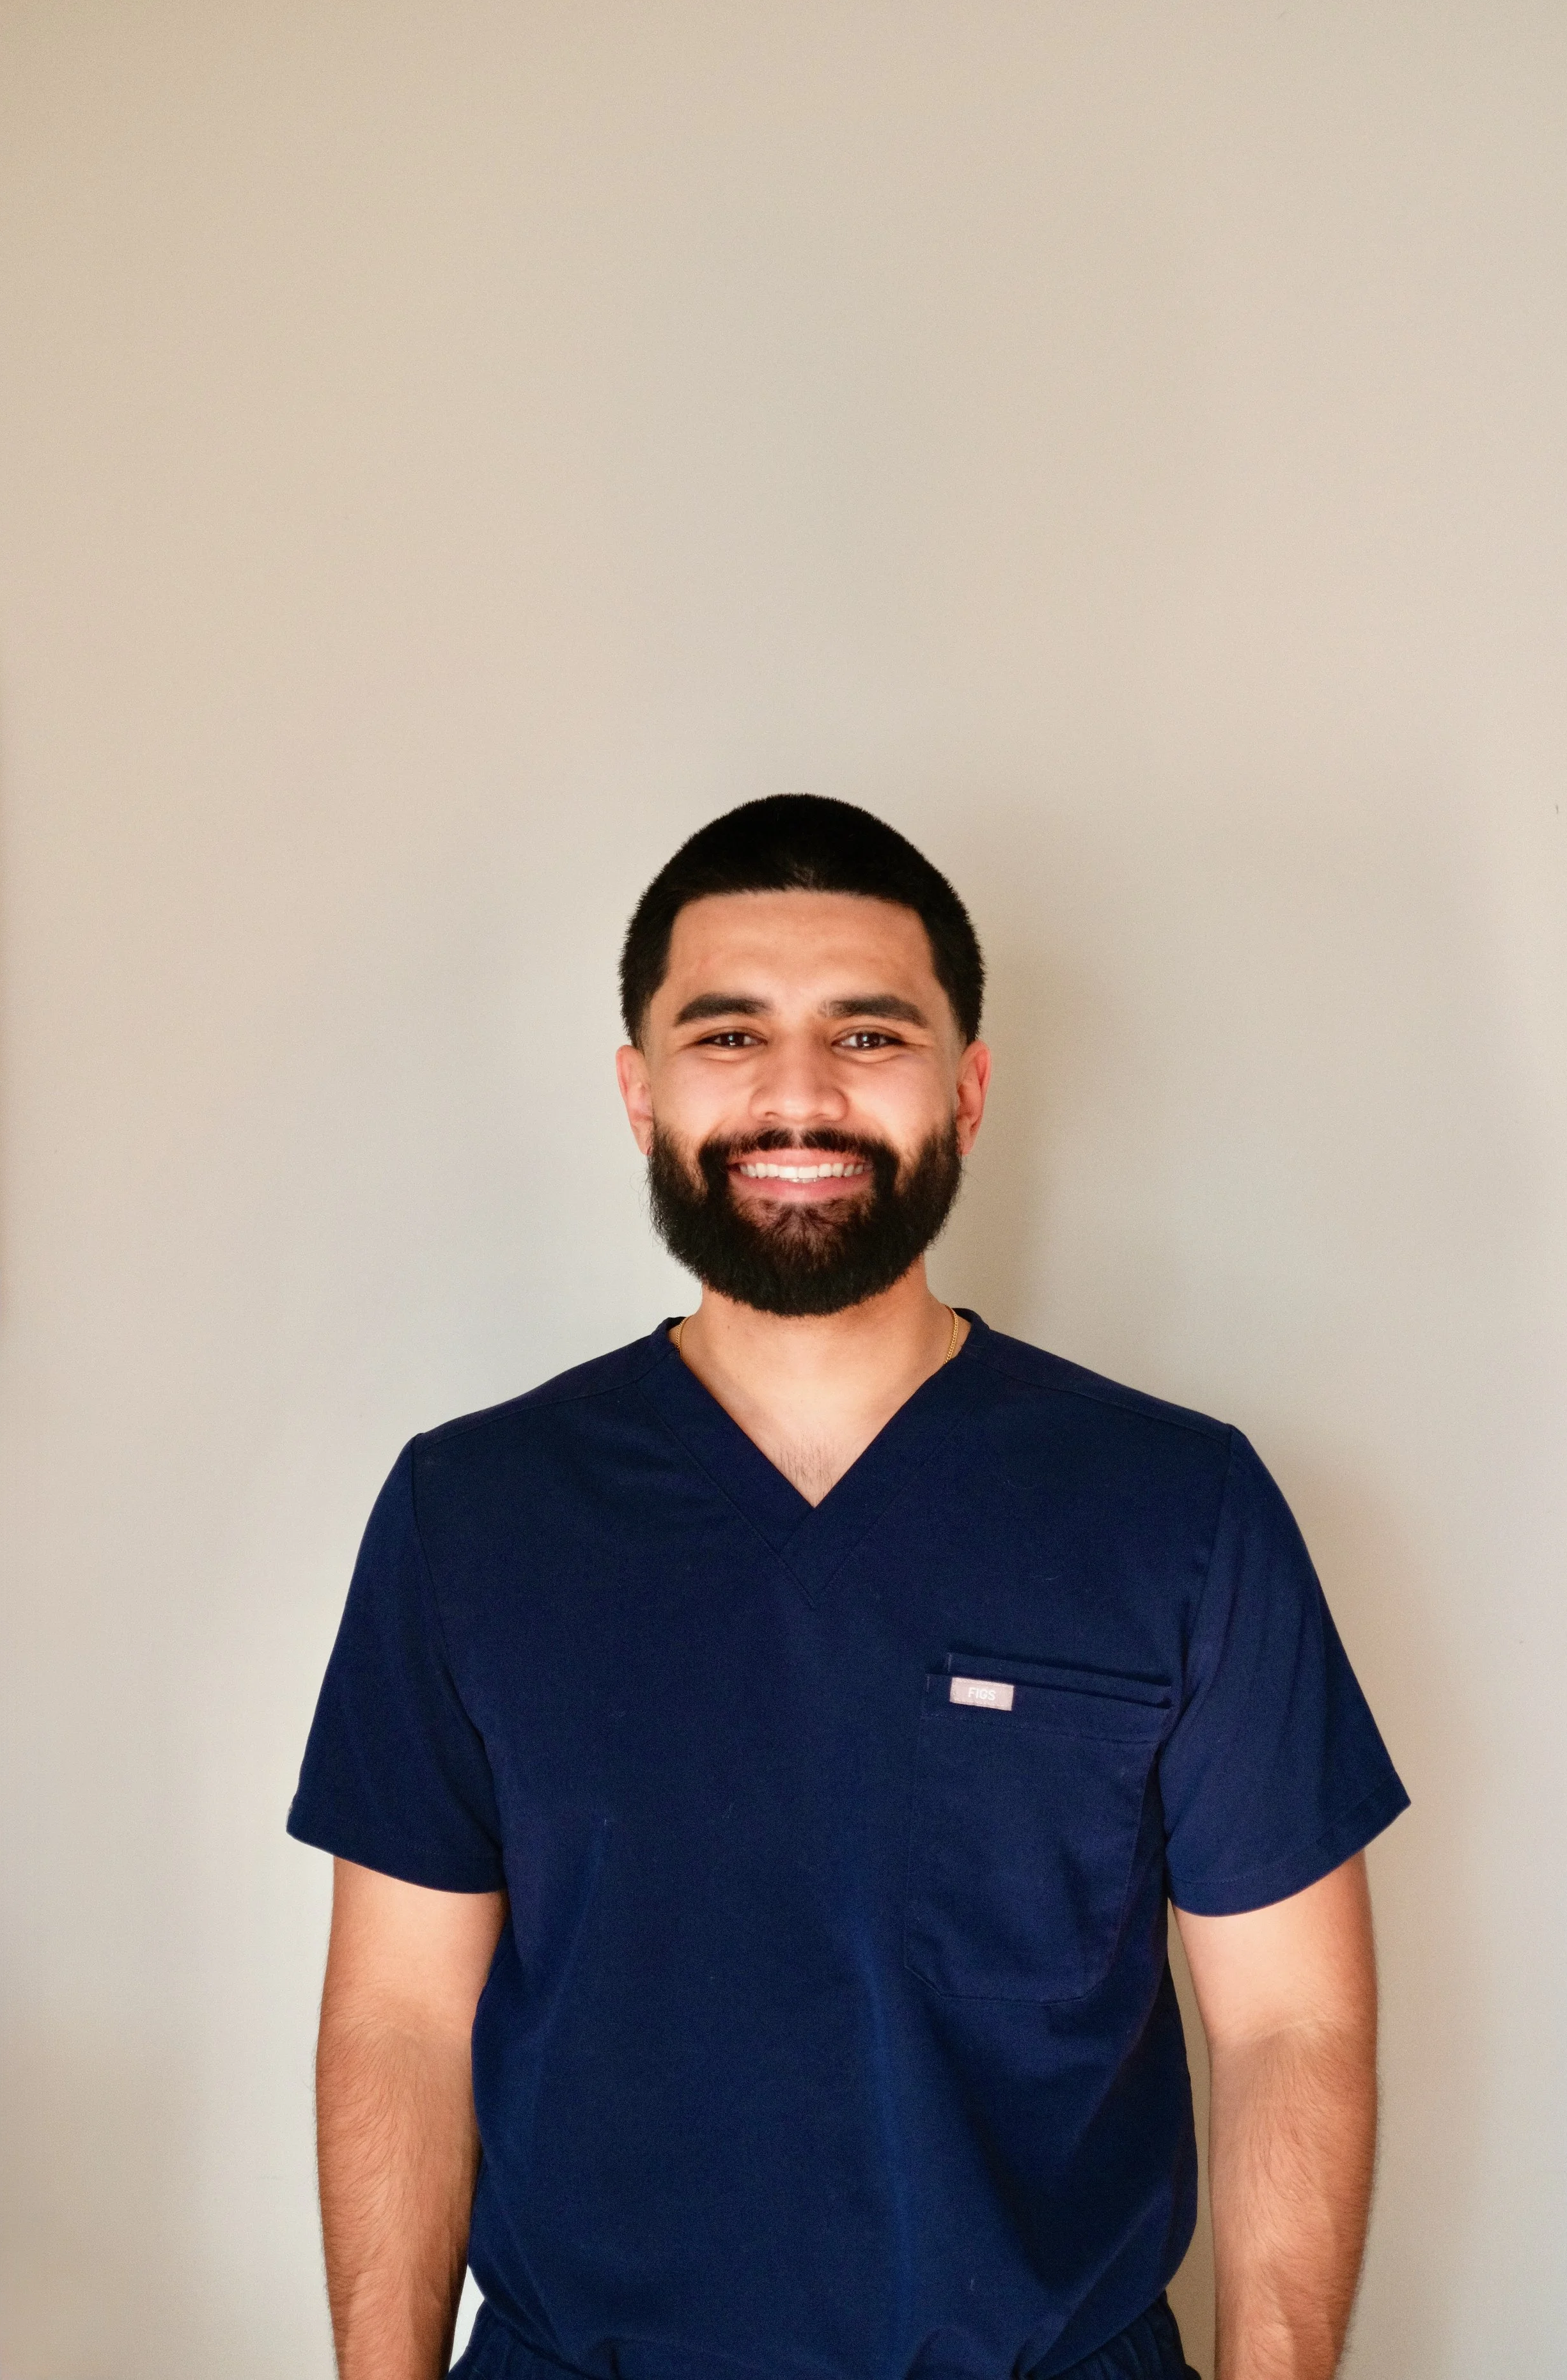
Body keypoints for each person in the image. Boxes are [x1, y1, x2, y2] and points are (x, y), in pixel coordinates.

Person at [289, 795, 1408, 2380]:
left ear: (965, 1090)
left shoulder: (1175, 1510)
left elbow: (1289, 2025)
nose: (796, 1097)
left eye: (867, 1038)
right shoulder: (470, 1516)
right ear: (639, 1092)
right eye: (727, 1037)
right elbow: (399, 2022)